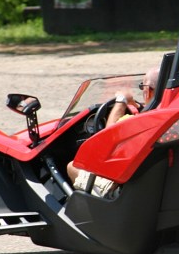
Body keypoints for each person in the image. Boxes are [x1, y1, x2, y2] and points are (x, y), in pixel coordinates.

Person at [67, 66, 159, 197]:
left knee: (72, 166)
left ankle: (97, 207)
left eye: (142, 86)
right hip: (152, 184)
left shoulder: (137, 122)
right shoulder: (173, 115)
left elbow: (108, 136)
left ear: (147, 91)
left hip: (123, 187)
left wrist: (121, 102)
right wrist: (140, 107)